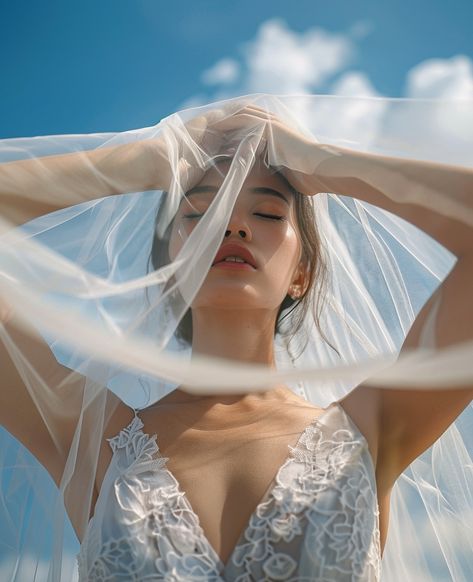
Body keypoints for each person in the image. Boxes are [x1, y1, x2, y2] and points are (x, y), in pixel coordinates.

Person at [0, 96, 472, 581]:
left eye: (268, 214)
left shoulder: (373, 429)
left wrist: (322, 162)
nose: (233, 225)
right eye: (198, 213)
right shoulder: (93, 438)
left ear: (302, 273)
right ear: (169, 268)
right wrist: (150, 160)